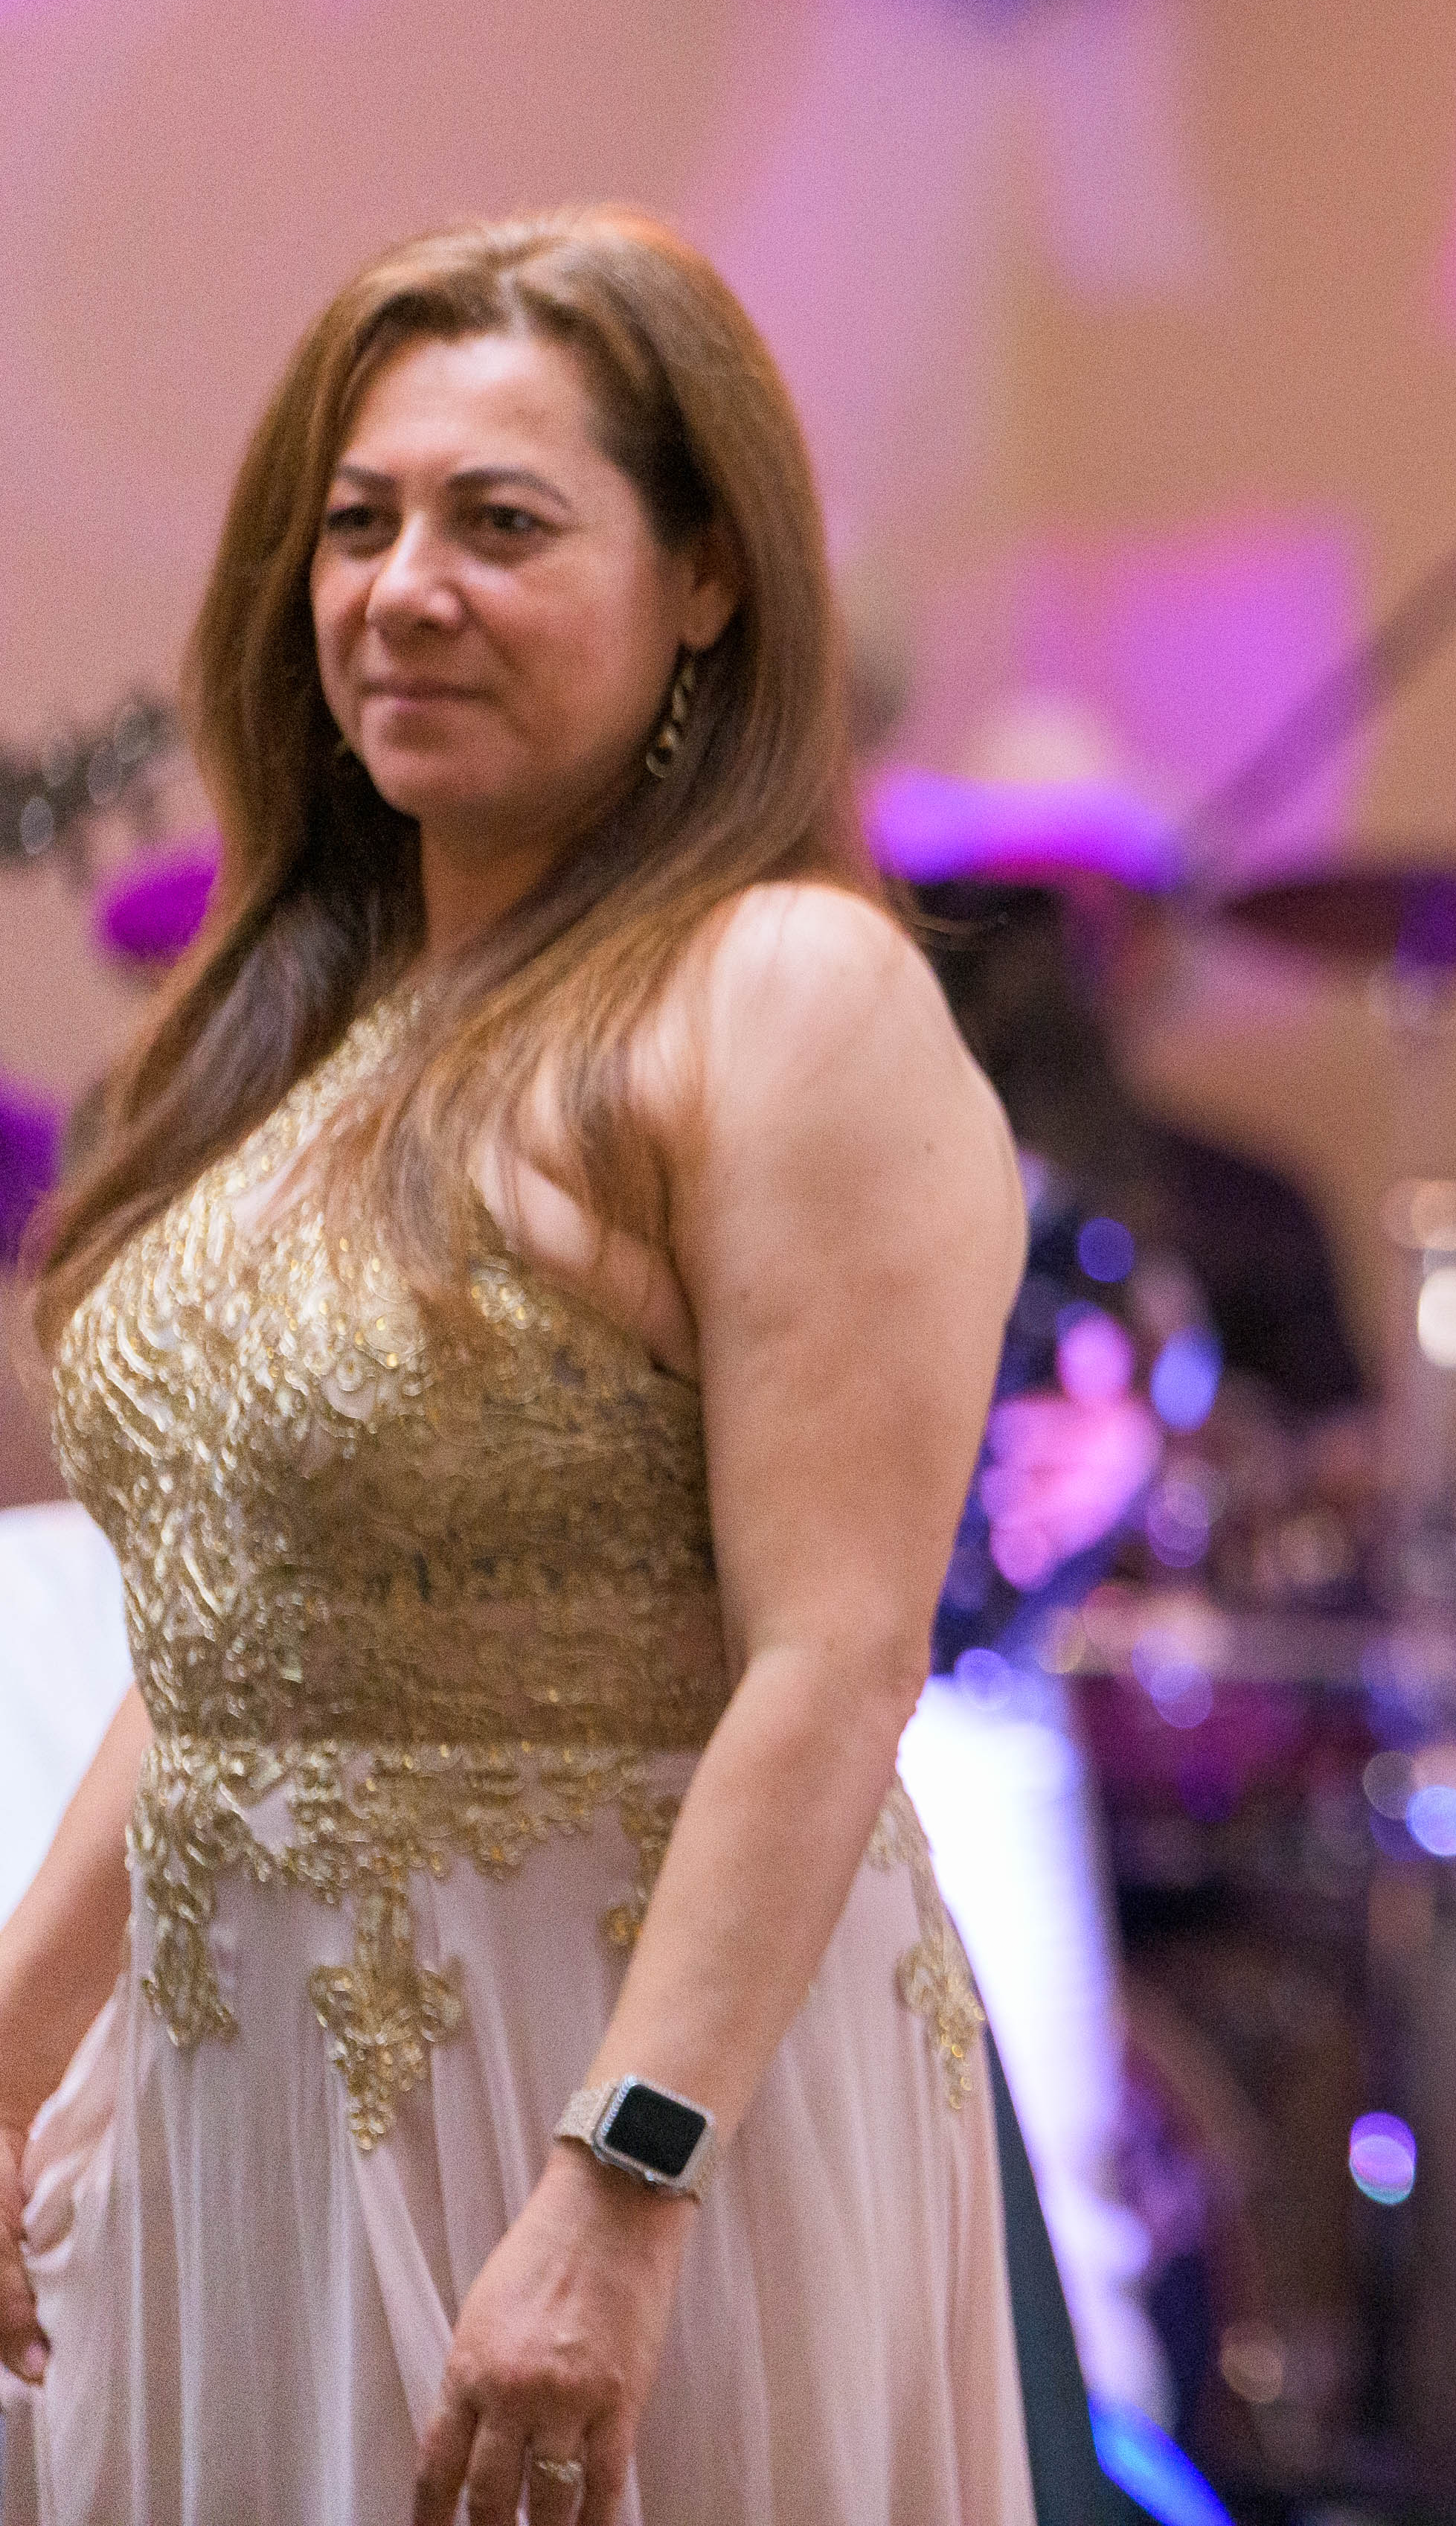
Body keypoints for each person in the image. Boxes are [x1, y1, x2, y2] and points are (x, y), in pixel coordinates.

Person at [0, 208, 1034, 2519]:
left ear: (705, 577)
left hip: (613, 2101)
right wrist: (7, 2054)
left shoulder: (783, 991)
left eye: (500, 523)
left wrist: (620, 2182)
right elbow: (235, 1646)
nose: (401, 590)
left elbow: (838, 1661)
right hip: (233, 2091)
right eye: (356, 524)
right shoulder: (303, 1018)